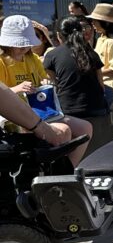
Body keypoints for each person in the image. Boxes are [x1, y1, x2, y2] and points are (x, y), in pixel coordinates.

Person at [0, 14, 92, 164]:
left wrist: (46, 81)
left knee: (85, 128)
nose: (24, 48)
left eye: (27, 44)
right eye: (20, 44)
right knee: (63, 131)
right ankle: (56, 176)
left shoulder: (33, 59)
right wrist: (17, 89)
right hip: (17, 118)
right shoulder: (1, 62)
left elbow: (43, 79)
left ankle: (69, 171)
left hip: (42, 111)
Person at [44, 17, 108, 119]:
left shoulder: (52, 55)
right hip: (97, 108)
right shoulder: (91, 53)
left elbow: (54, 84)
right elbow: (101, 85)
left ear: (59, 35)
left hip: (68, 110)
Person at [0, 79, 71, 148]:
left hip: (43, 114)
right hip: (14, 123)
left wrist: (45, 83)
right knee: (63, 130)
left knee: (65, 129)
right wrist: (41, 128)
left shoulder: (35, 66)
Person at [87, 3, 113, 101]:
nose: (92, 23)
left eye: (95, 21)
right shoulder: (101, 39)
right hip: (104, 89)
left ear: (106, 23)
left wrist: (93, 72)